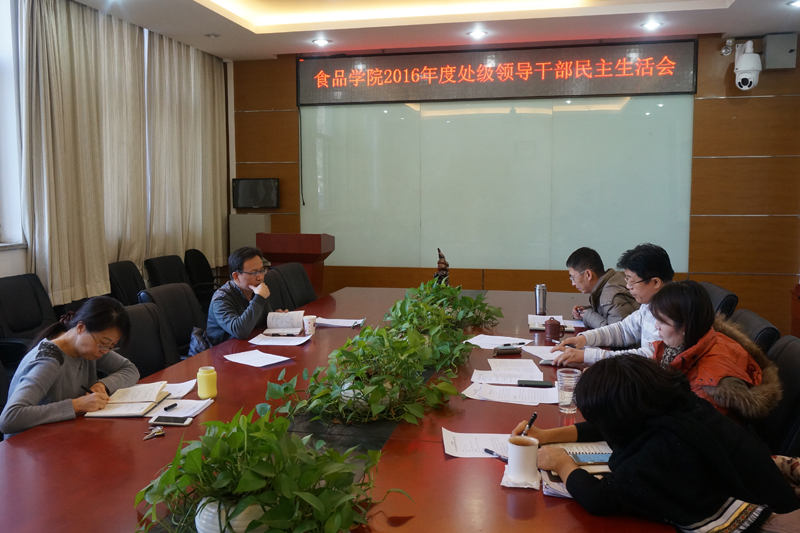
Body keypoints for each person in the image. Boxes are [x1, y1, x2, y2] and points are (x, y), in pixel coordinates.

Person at [511, 355, 800, 533]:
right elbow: (607, 421)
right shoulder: (674, 405)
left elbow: (599, 499)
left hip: (769, 516)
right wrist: (547, 435)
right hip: (768, 488)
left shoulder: (663, 450)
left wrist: (562, 463)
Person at [0, 296, 139, 436]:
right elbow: (9, 418)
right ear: (81, 327)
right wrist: (77, 405)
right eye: (103, 343)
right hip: (31, 442)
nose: (105, 351)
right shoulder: (49, 361)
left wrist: (103, 385)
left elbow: (130, 369)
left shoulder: (90, 348)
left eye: (111, 346)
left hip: (67, 432)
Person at [650, 280, 781, 419]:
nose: (656, 326)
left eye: (662, 321)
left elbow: (695, 428)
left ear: (686, 326)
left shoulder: (711, 387)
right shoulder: (692, 341)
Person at [552, 243, 674, 366]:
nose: (628, 287)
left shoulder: (672, 311)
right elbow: (623, 330)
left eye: (632, 282)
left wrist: (587, 356)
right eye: (627, 280)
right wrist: (584, 338)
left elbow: (649, 357)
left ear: (655, 282)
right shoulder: (649, 305)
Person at [206, 246, 274, 346]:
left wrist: (276, 317)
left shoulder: (255, 290)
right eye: (254, 273)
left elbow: (264, 318)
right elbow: (240, 331)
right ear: (236, 276)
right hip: (223, 350)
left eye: (261, 271)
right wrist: (259, 298)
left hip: (250, 345)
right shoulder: (221, 298)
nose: (260, 277)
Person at [566, 247, 638, 329]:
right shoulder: (612, 279)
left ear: (588, 274)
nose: (573, 283)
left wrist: (588, 315)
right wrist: (585, 311)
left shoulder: (611, 296)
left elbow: (616, 333)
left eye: (573, 277)